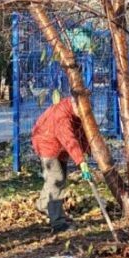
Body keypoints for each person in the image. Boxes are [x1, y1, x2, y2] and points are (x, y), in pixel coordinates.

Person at [30, 96, 92, 232]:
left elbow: (81, 133)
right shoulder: (62, 117)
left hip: (59, 145)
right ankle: (58, 222)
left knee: (60, 177)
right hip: (46, 143)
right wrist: (80, 161)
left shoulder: (75, 112)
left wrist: (88, 151)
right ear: (74, 104)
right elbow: (69, 140)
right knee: (56, 179)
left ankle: (42, 205)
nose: (83, 113)